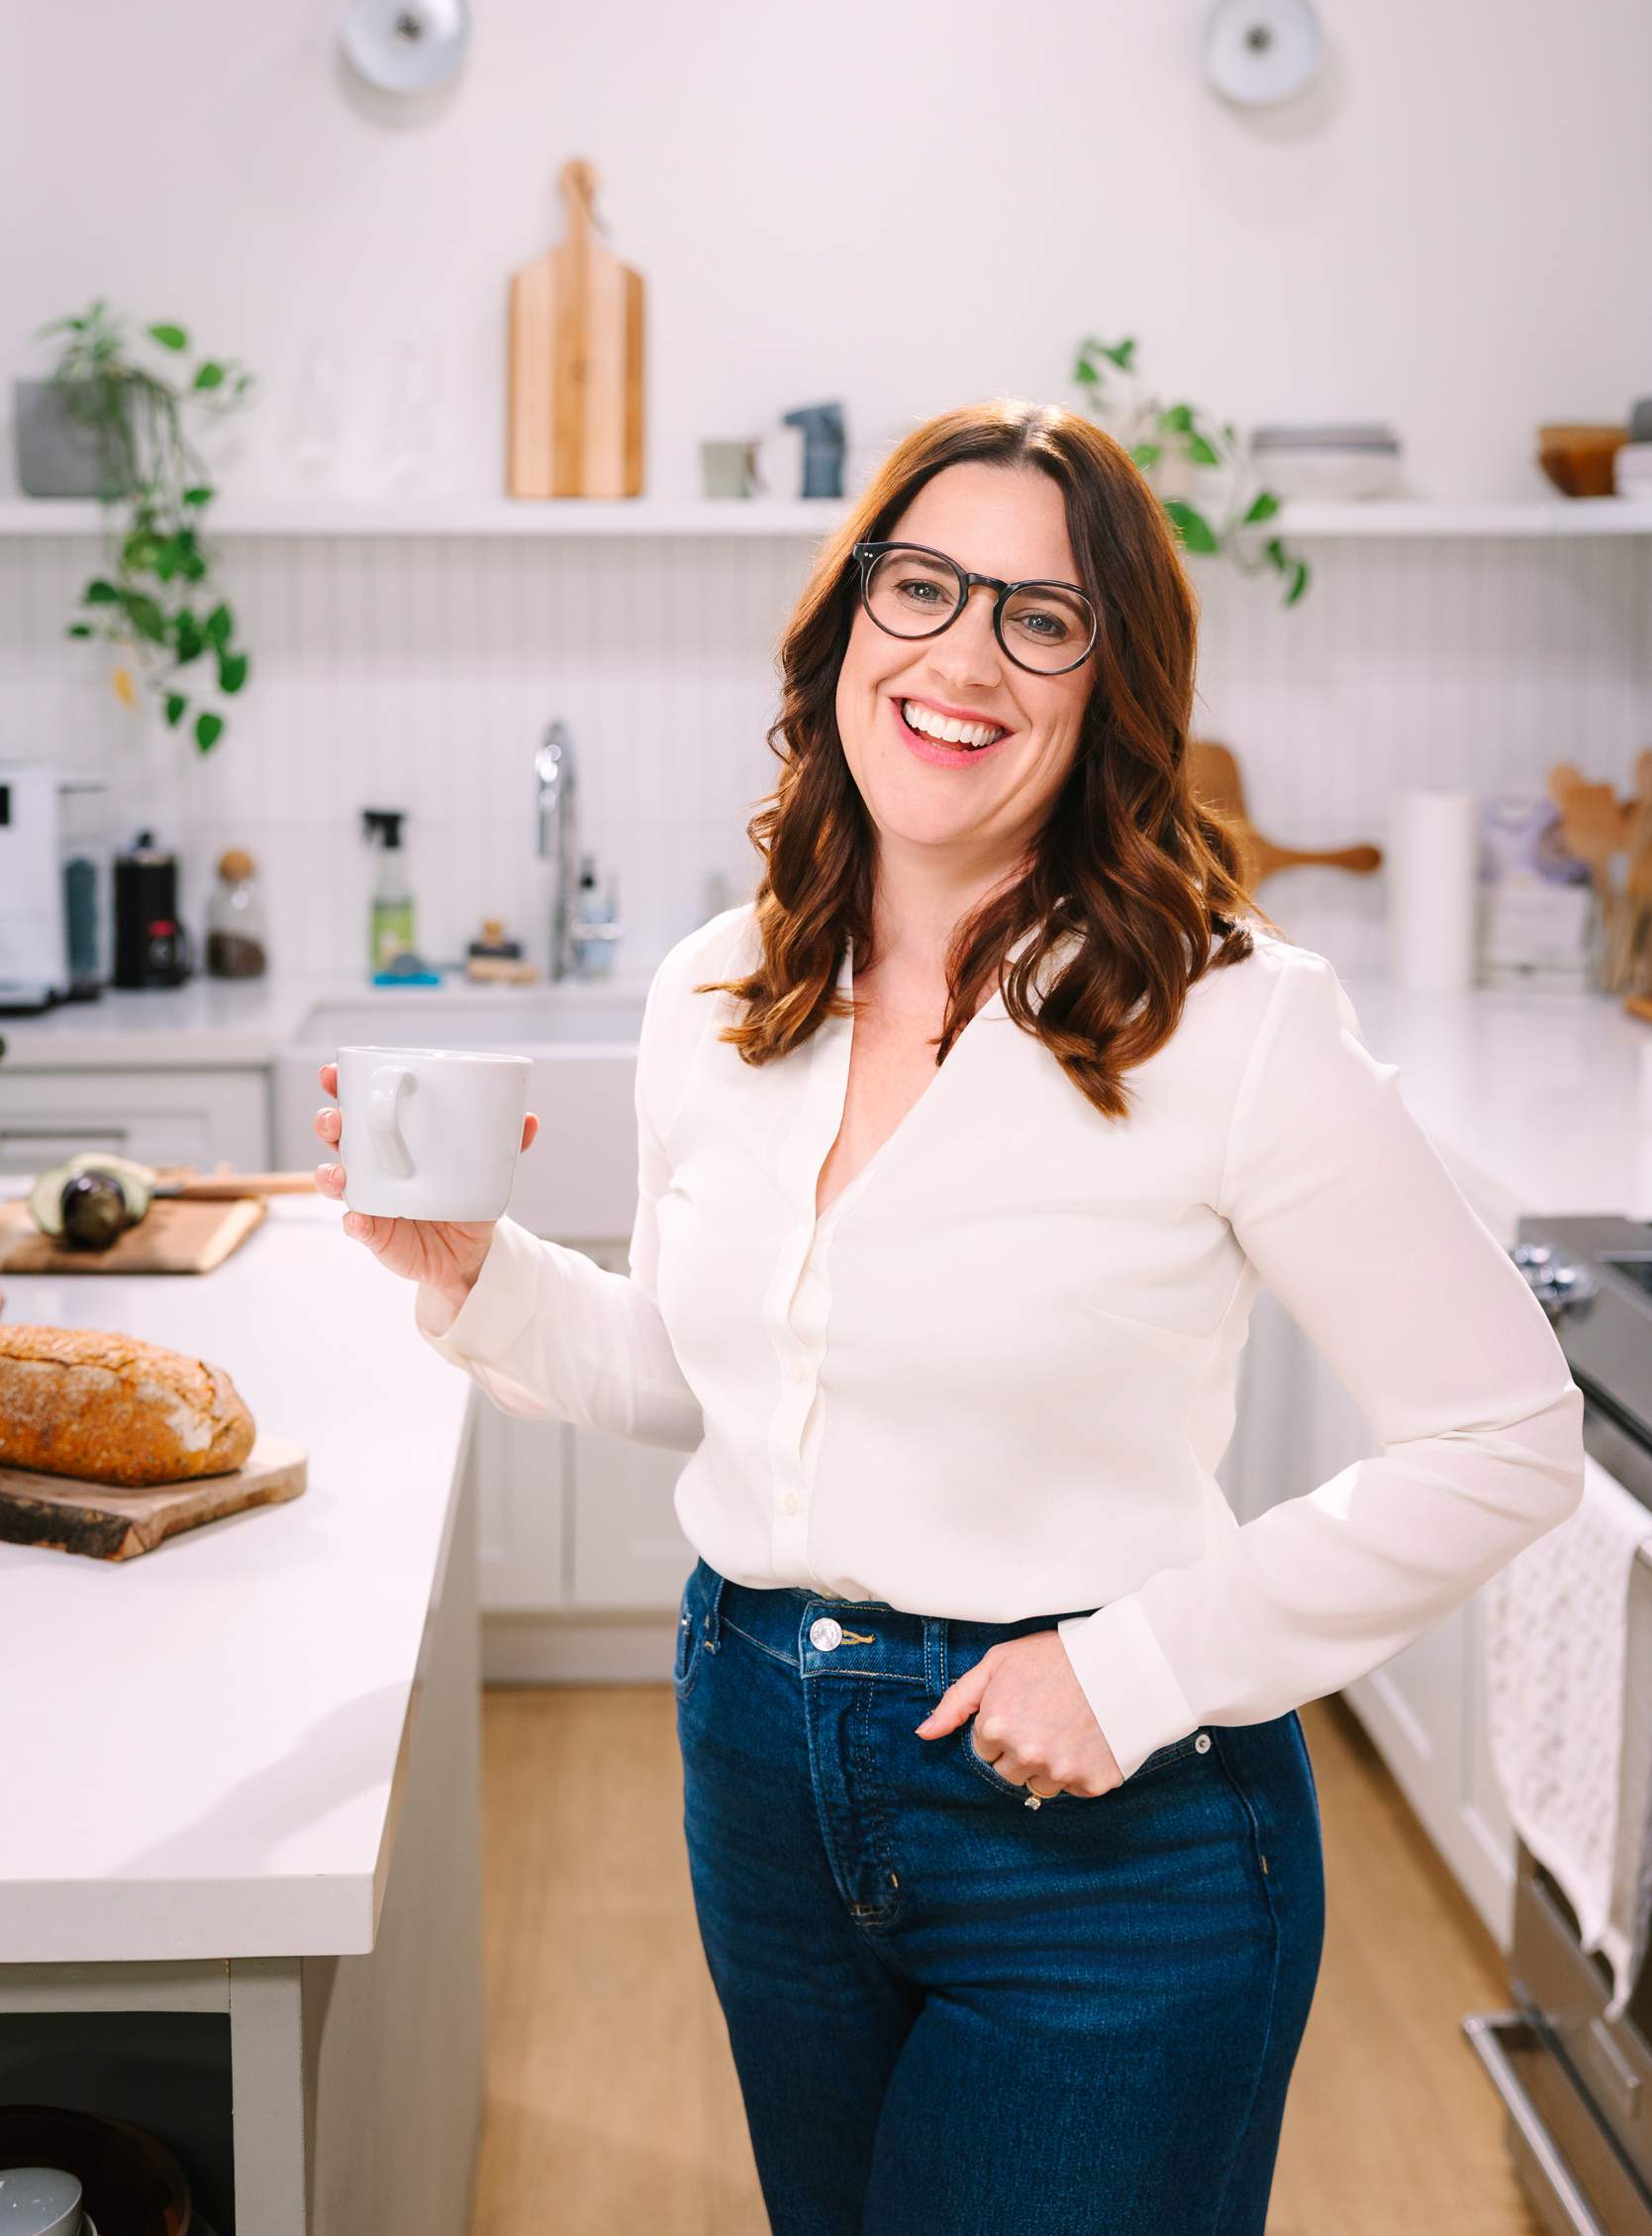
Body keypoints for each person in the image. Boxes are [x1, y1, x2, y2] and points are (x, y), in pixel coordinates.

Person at [312, 400, 1585, 2236]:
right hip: (757, 1758)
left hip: (1109, 1839)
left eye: (1038, 616)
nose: (961, 655)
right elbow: (703, 1379)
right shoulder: (720, 986)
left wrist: (1134, 1672)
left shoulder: (1229, 1022)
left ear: (1107, 683)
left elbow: (1502, 1436)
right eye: (920, 587)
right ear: (844, 627)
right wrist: (474, 1281)